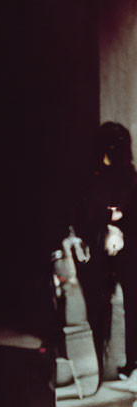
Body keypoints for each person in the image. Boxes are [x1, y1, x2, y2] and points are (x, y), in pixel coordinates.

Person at [73, 121, 137, 380]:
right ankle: (97, 364)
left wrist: (119, 228)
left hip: (127, 247)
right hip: (100, 247)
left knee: (130, 302)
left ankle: (130, 361)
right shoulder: (92, 178)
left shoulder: (129, 178)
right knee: (97, 304)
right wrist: (107, 225)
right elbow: (83, 213)